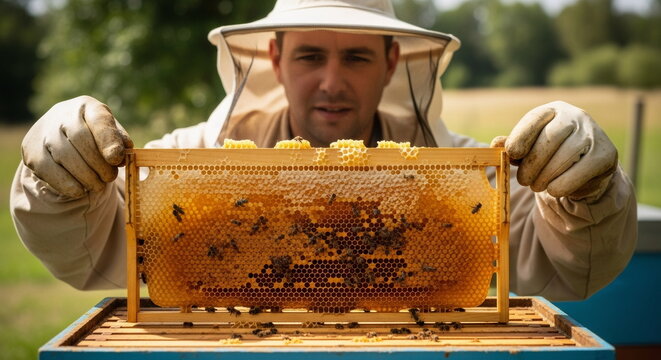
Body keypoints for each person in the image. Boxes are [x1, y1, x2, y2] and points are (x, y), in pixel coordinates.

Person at [10, 0, 636, 300]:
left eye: (357, 57)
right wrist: (57, 180)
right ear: (276, 59)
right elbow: (87, 250)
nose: (332, 82)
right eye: (311, 55)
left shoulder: (459, 175)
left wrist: (589, 194)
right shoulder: (200, 159)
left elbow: (576, 264)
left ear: (392, 63)